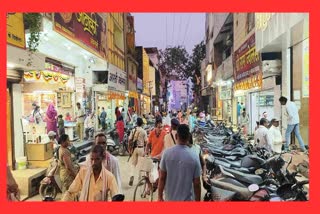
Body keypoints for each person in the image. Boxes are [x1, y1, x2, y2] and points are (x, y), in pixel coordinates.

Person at [158, 124, 201, 201]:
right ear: (188, 137)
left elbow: (162, 178)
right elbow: (197, 184)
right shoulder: (194, 157)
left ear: (176, 136)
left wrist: (160, 197)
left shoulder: (167, 154)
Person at [128, 117, 148, 186]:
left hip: (134, 149)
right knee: (141, 164)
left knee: (133, 164)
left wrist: (129, 149)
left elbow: (129, 139)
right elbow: (146, 141)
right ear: (142, 123)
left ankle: (132, 175)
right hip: (141, 148)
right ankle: (139, 180)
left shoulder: (133, 130)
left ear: (136, 123)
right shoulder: (143, 131)